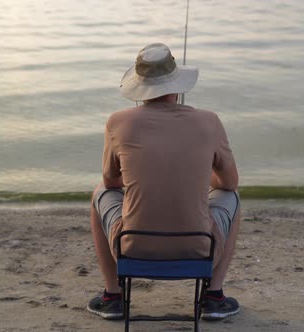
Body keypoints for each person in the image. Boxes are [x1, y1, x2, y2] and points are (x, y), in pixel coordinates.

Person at [87, 43, 241, 321]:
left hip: (131, 245)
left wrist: (143, 172)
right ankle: (213, 297)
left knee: (99, 193)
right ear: (177, 86)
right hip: (201, 246)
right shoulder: (209, 121)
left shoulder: (118, 122)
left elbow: (110, 182)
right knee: (233, 199)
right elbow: (230, 183)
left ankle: (112, 296)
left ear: (139, 88)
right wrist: (200, 175)